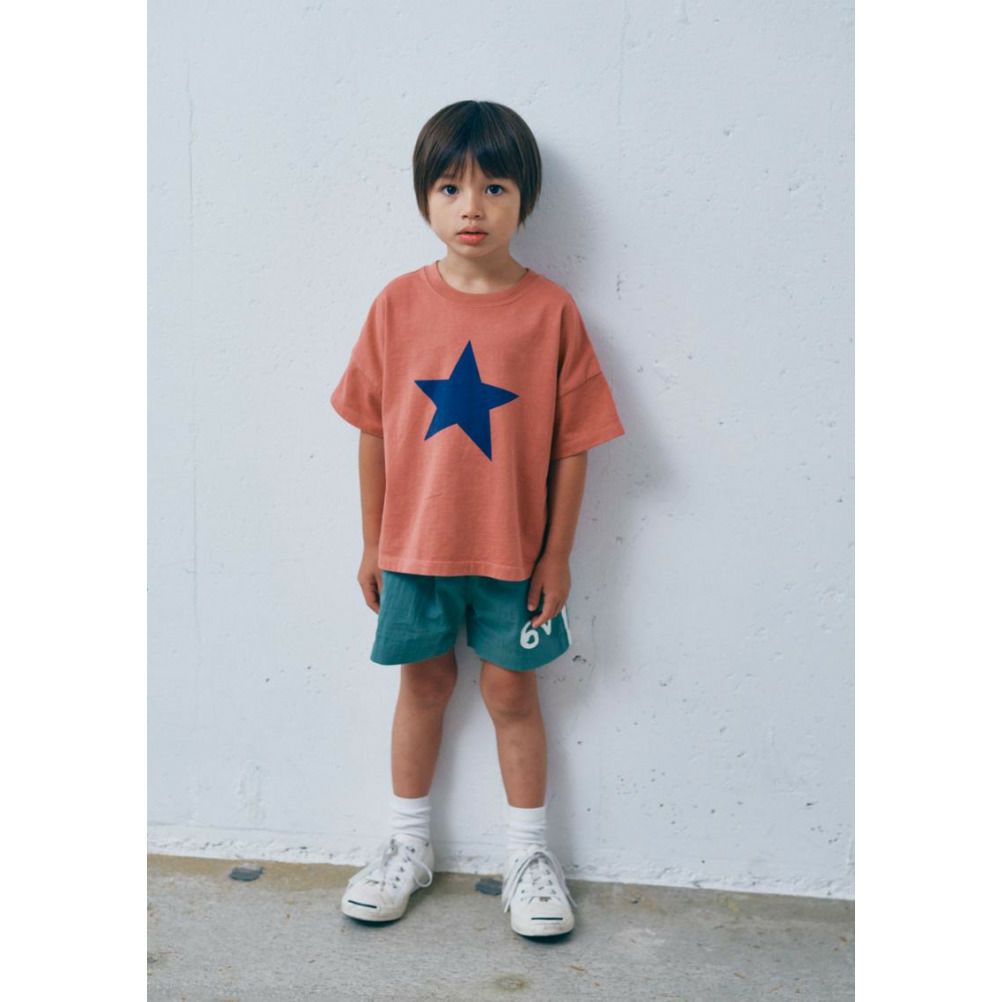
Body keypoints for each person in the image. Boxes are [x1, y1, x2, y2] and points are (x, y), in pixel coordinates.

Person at [329, 100, 625, 938]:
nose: (472, 207)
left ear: (524, 198)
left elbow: (576, 446)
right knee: (422, 686)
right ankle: (406, 844)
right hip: (415, 551)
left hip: (513, 558)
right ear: (424, 197)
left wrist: (557, 556)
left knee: (511, 692)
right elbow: (372, 432)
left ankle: (529, 856)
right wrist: (373, 542)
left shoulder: (551, 313)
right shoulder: (396, 306)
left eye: (494, 187)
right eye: (451, 187)